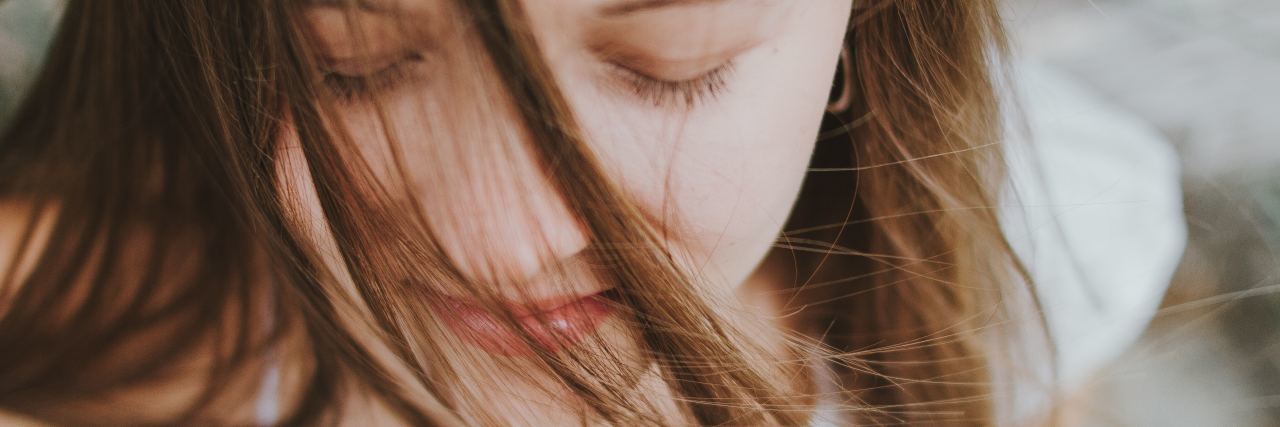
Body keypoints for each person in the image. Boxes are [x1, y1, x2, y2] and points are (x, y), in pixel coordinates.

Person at [0, 0, 1185, 425]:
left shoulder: (1026, 250)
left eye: (671, 64)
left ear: (865, 25)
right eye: (343, 61)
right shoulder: (109, 315)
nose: (498, 244)